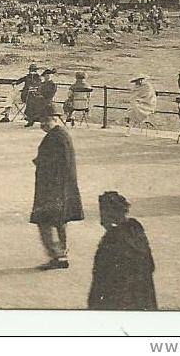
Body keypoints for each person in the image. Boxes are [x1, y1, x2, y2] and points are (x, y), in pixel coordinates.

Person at [30, 106, 84, 270]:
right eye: (41, 120)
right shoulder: (59, 135)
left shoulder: (57, 137)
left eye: (46, 120)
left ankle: (57, 255)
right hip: (60, 189)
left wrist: (40, 162)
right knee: (59, 222)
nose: (43, 124)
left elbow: (57, 164)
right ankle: (62, 254)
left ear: (55, 119)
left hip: (53, 189)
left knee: (44, 221)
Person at [87, 191, 157, 310]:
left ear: (112, 215)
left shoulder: (111, 240)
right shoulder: (136, 230)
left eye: (103, 216)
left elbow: (100, 279)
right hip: (143, 300)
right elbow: (151, 265)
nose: (101, 222)